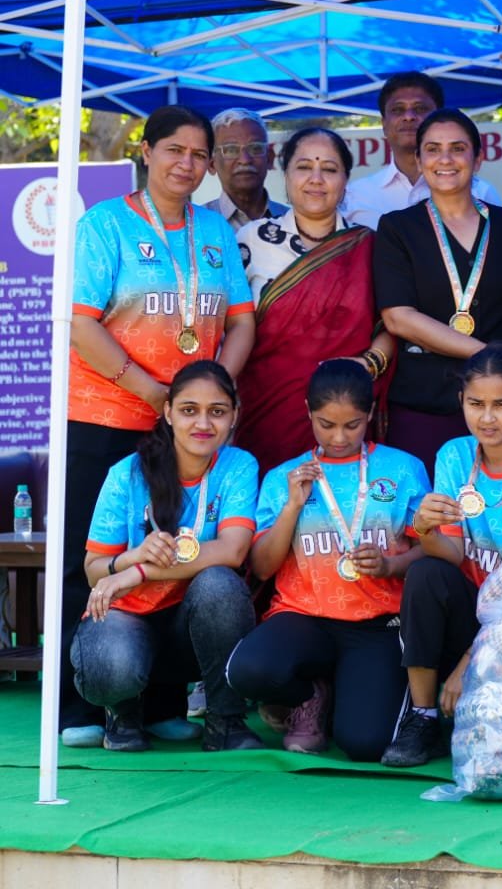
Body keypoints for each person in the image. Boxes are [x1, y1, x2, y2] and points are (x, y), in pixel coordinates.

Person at [64, 104, 255, 746]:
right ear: (146, 152)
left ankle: (164, 703)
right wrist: (154, 393)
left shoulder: (214, 230)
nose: (187, 165)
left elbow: (242, 322)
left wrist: (211, 392)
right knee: (94, 557)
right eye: (174, 150)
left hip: (187, 422)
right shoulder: (105, 224)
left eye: (200, 155)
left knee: (179, 550)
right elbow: (82, 323)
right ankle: (85, 706)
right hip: (108, 415)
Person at [226, 360, 430, 761]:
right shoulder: (285, 476)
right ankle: (308, 695)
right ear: (308, 411)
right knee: (247, 671)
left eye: (352, 425)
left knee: (365, 743)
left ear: (370, 413)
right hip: (303, 616)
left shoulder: (403, 468)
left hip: (377, 623)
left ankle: (345, 694)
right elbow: (263, 567)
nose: (339, 437)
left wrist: (390, 566)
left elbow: (433, 549)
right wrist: (291, 508)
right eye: (326, 424)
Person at [381, 342, 502, 767]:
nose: (487, 418)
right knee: (425, 572)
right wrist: (425, 529)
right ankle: (422, 715)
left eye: (501, 404)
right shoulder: (454, 455)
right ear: (461, 401)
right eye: (476, 404)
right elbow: (450, 555)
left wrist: (470, 662)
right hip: (467, 610)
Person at [73, 361, 262, 752]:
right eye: (189, 410)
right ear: (169, 412)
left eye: (217, 411)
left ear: (234, 415)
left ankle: (225, 720)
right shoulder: (126, 473)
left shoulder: (238, 465)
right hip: (125, 618)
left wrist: (139, 571)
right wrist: (132, 557)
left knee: (221, 585)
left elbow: (233, 550)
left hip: (187, 626)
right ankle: (122, 710)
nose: (203, 423)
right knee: (112, 668)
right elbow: (94, 572)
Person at [374, 109, 502, 470]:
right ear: (419, 161)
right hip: (425, 401)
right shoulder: (398, 229)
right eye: (433, 149)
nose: (445, 159)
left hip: (501, 403)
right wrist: (487, 353)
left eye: (458, 148)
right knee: (427, 502)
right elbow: (399, 318)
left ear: (478, 159)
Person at [235, 127, 397, 471]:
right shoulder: (250, 240)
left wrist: (368, 364)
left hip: (346, 415)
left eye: (330, 169)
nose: (316, 179)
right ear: (286, 174)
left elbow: (392, 324)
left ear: (346, 180)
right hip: (267, 413)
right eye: (304, 167)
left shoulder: (369, 246)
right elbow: (230, 326)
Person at [344, 71, 502, 230]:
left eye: (420, 108)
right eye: (398, 110)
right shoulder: (357, 195)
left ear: (439, 117)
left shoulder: (480, 193)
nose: (409, 117)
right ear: (384, 124)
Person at [203, 108, 287, 229]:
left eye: (255, 148)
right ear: (211, 164)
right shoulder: (195, 226)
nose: (245, 160)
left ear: (269, 158)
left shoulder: (293, 222)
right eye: (231, 150)